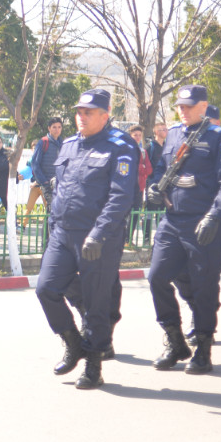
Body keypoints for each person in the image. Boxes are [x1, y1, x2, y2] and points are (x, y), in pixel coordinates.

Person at [35, 89, 136, 390]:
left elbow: (121, 196)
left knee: (96, 301)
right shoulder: (67, 146)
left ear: (105, 116)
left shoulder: (121, 146)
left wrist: (99, 233)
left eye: (88, 112)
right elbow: (61, 189)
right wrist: (53, 224)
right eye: (79, 111)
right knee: (46, 289)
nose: (81, 117)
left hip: (98, 237)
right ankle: (73, 343)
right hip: (64, 233)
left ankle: (94, 365)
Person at [144, 85, 221, 374]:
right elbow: (160, 168)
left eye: (188, 106)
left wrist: (215, 216)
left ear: (203, 107)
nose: (182, 110)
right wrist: (154, 189)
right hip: (173, 219)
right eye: (180, 106)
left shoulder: (219, 138)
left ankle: (204, 348)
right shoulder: (173, 134)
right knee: (157, 277)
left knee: (204, 285)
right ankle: (175, 339)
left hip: (203, 221)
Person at [25, 117, 64, 232]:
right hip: (47, 185)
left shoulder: (63, 143)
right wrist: (45, 182)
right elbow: (35, 164)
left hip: (59, 184)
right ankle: (46, 243)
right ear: (49, 128)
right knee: (52, 212)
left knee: (56, 213)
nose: (57, 130)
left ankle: (51, 243)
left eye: (59, 127)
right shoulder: (43, 142)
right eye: (54, 127)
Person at [126, 125, 153, 244]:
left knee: (135, 214)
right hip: (127, 188)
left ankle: (129, 239)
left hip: (139, 188)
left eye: (139, 135)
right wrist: (140, 167)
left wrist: (140, 168)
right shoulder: (125, 150)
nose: (137, 137)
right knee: (124, 214)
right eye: (135, 135)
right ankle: (122, 239)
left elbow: (149, 169)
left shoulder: (143, 152)